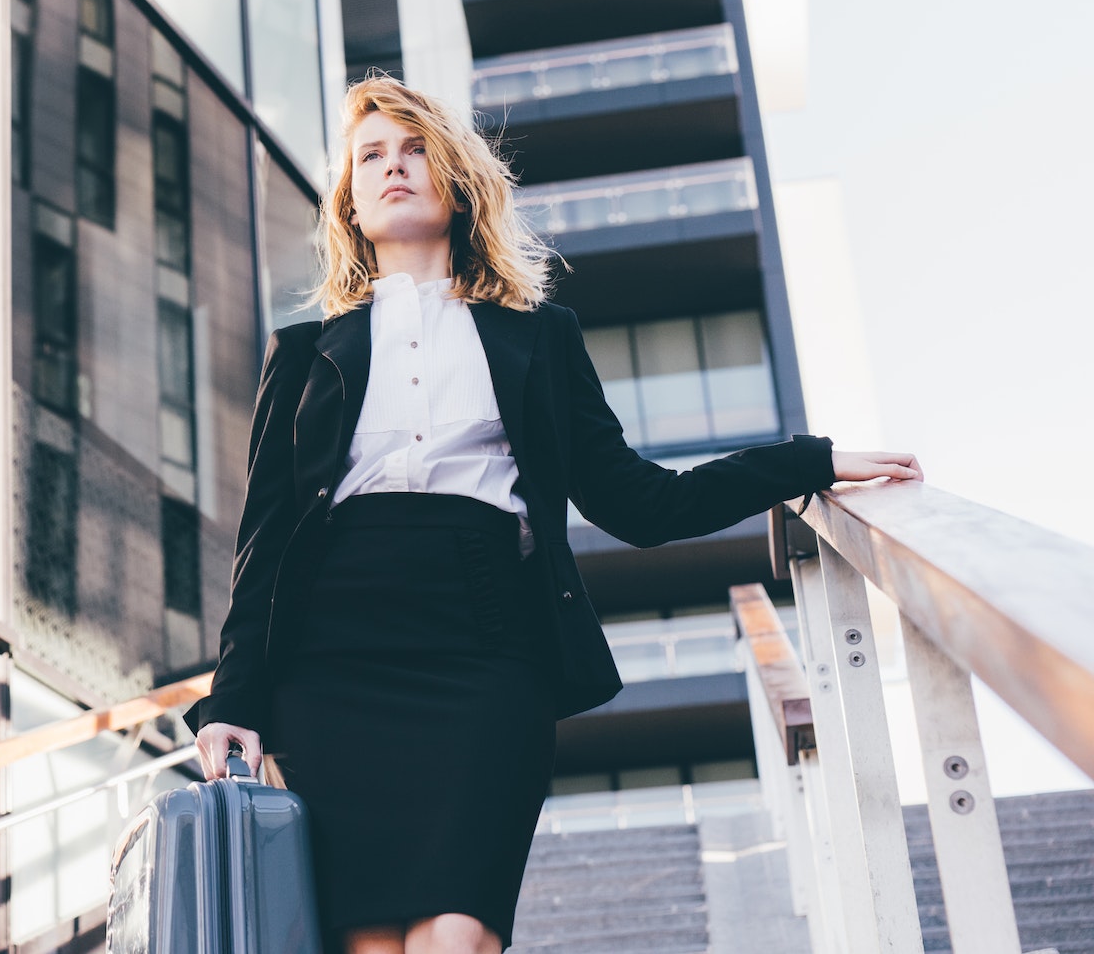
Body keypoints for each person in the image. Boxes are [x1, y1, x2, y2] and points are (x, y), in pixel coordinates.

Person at [185, 76, 919, 954]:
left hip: (486, 650)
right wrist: (231, 699)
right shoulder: (303, 354)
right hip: (330, 664)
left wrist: (804, 461)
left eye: (414, 148)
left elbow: (641, 502)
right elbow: (263, 544)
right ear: (349, 198)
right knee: (368, 944)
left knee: (457, 934)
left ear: (455, 179)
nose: (393, 167)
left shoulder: (539, 336)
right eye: (371, 155)